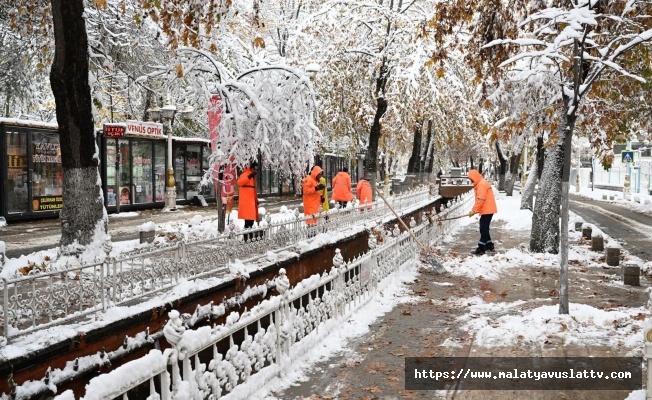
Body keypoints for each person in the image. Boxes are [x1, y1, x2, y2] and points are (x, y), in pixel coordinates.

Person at [467, 169, 497, 255]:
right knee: (484, 227)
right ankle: (489, 245)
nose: (471, 181)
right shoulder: (481, 183)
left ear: (475, 177)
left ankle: (481, 247)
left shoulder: (481, 185)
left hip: (487, 209)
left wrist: (473, 210)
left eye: (471, 179)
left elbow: (480, 199)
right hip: (487, 209)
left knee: (483, 228)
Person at [237, 161, 259, 241]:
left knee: (251, 220)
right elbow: (239, 182)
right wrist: (249, 176)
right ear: (251, 168)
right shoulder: (246, 174)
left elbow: (254, 190)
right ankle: (246, 236)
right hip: (247, 201)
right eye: (254, 169)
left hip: (251, 201)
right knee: (248, 220)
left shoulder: (253, 177)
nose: (255, 171)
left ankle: (249, 235)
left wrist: (256, 200)